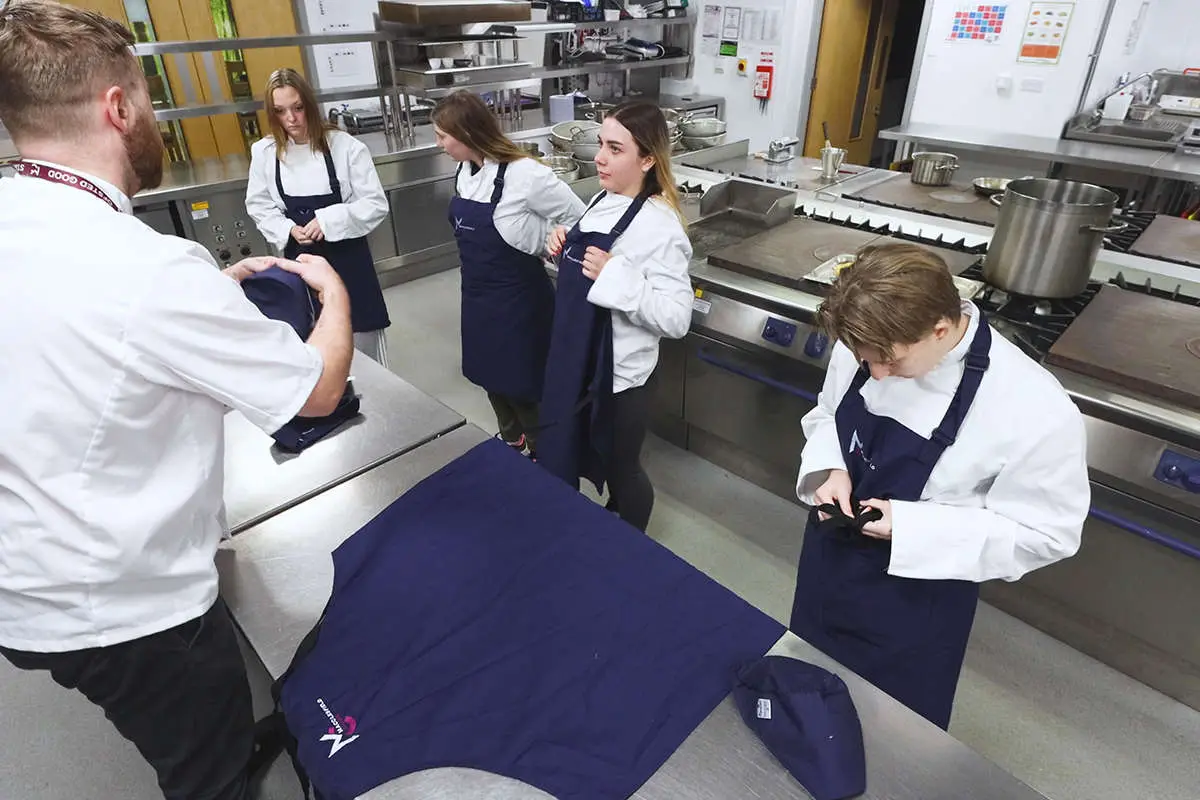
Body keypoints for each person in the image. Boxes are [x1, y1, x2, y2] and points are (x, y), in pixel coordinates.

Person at [0, 3, 353, 798]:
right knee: (205, 768)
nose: (156, 119)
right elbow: (319, 390)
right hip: (127, 609)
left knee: (196, 722)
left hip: (24, 580)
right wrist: (331, 294)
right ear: (118, 109)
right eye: (149, 101)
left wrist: (200, 315)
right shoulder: (150, 271)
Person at [789, 242, 1089, 730]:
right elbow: (827, 414)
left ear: (941, 329)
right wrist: (830, 470)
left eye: (891, 362)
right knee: (810, 690)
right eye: (865, 362)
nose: (877, 375)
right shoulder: (868, 344)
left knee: (891, 734)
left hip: (916, 602)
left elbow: (1048, 534)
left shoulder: (1034, 408)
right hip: (829, 561)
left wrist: (909, 527)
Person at [541, 102, 693, 532]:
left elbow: (677, 318)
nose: (599, 158)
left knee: (623, 471)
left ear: (647, 159)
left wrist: (617, 276)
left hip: (619, 379)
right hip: (577, 362)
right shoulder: (601, 198)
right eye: (601, 145)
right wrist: (563, 244)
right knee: (573, 448)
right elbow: (585, 268)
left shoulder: (660, 227)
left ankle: (632, 546)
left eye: (615, 148)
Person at [433, 90, 586, 458]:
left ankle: (546, 459)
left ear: (468, 133)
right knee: (490, 380)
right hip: (477, 296)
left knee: (523, 387)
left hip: (520, 301)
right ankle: (513, 446)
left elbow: (579, 218)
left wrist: (555, 240)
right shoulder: (464, 171)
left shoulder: (524, 175)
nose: (438, 144)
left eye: (442, 136)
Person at [246, 67, 392, 366]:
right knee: (312, 345)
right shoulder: (264, 152)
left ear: (309, 105)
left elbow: (375, 204)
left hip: (348, 261)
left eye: (298, 108)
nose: (291, 119)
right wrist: (287, 228)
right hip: (299, 264)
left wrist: (328, 221)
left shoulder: (345, 147)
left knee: (360, 345)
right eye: (281, 111)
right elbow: (259, 204)